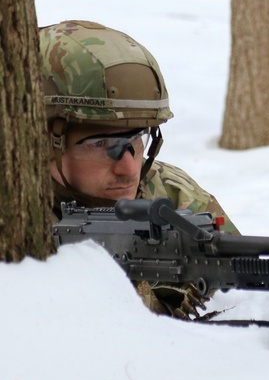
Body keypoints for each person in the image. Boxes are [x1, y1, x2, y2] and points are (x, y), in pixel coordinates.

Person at [41, 19, 239, 316]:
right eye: (101, 144)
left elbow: (240, 293)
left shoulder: (169, 193)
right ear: (42, 143)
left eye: (137, 139)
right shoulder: (16, 217)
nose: (129, 168)